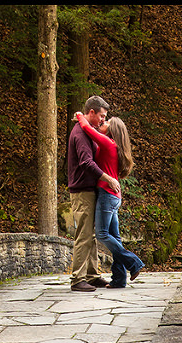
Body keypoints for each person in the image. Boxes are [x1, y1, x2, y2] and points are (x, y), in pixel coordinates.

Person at [74, 110, 144, 289]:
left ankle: (134, 263)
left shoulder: (106, 142)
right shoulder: (114, 146)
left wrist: (81, 116)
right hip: (114, 196)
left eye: (106, 123)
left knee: (102, 234)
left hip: (107, 195)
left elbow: (86, 129)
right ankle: (119, 279)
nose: (102, 124)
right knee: (115, 237)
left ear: (111, 131)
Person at [67, 96, 121, 293]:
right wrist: (108, 178)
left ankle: (91, 275)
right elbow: (86, 163)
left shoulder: (87, 131)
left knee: (90, 234)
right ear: (91, 113)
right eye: (101, 116)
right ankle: (77, 279)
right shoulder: (80, 134)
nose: (102, 120)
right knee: (83, 234)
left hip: (89, 189)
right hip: (81, 190)